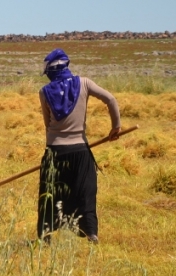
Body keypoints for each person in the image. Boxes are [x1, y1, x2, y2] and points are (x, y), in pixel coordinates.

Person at [37, 48, 120, 244]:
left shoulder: (44, 92)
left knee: (49, 195)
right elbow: (111, 99)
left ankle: (45, 236)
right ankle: (91, 233)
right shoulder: (85, 83)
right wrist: (116, 127)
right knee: (85, 192)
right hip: (80, 151)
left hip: (55, 152)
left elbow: (47, 124)